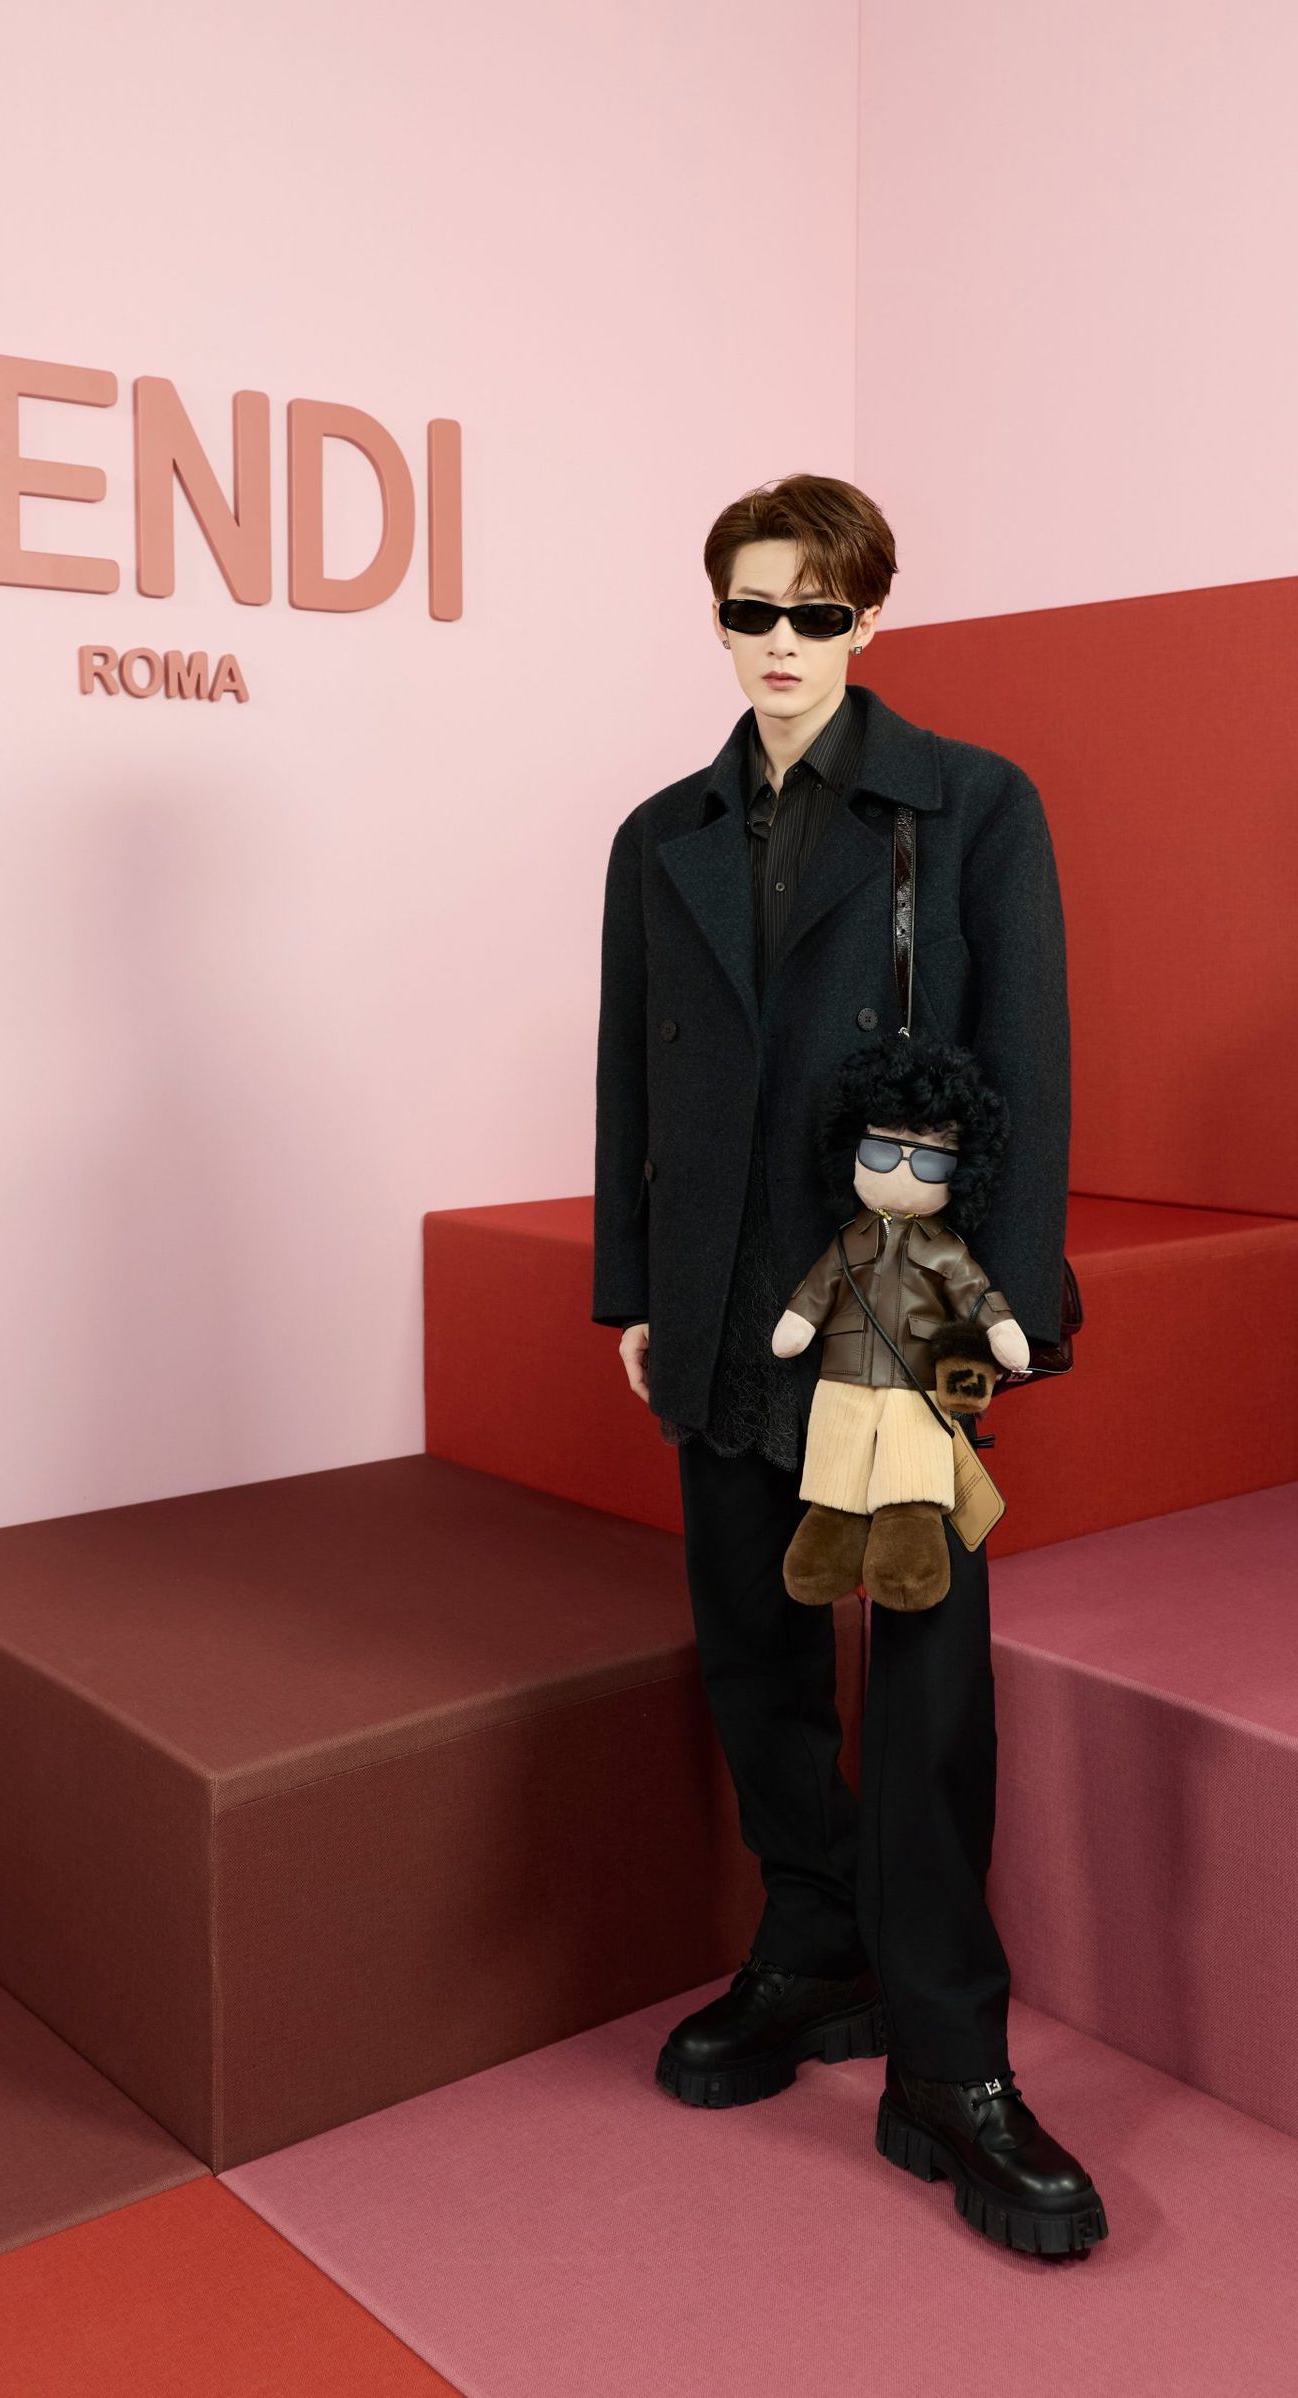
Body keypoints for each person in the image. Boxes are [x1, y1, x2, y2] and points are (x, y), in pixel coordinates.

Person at [591, 472, 1107, 2256]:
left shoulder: (974, 806)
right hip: (724, 1302)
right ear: (718, 618)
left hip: (898, 1318)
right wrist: (634, 1288)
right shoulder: (660, 832)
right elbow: (633, 1076)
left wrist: (1002, 1313)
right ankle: (811, 1946)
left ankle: (952, 2058)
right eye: (753, 610)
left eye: (816, 611)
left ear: (870, 616)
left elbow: (1027, 1063)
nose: (783, 643)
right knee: (754, 1641)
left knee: (931, 1683)